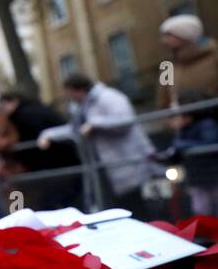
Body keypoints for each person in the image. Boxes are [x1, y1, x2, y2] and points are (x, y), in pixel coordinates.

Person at [38, 73, 153, 213]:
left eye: (69, 93)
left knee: (134, 205)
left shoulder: (109, 97)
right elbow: (75, 129)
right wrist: (48, 134)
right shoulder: (81, 107)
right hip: (103, 166)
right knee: (112, 206)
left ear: (77, 90)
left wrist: (95, 124)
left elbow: (125, 120)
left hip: (124, 160)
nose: (69, 98)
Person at [0, 91, 82, 209]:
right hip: (26, 170)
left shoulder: (19, 117)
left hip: (32, 169)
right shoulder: (28, 112)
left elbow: (13, 139)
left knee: (32, 201)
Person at [154, 89, 218, 217]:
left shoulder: (206, 124)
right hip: (198, 178)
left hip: (213, 175)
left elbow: (210, 143)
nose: (174, 118)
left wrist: (181, 146)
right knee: (201, 209)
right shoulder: (183, 130)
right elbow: (178, 151)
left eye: (177, 114)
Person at [158, 14, 218, 108]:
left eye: (169, 35)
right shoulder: (168, 65)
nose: (164, 41)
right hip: (180, 119)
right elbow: (164, 100)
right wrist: (171, 119)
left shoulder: (213, 55)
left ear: (184, 34)